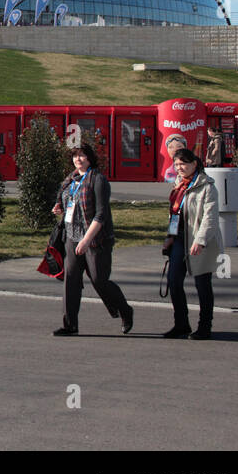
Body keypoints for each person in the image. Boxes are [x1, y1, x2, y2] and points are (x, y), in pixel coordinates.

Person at [51, 143, 134, 337]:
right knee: (71, 281)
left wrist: (87, 240)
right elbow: (68, 202)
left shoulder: (98, 180)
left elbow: (101, 214)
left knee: (99, 280)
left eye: (82, 156)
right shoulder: (70, 179)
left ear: (90, 158)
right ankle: (69, 324)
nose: (78, 159)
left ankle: (125, 310)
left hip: (96, 239)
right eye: (75, 156)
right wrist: (60, 209)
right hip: (72, 236)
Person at [164, 148, 224, 340]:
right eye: (177, 164)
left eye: (184, 164)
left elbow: (210, 218)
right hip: (180, 239)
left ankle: (204, 326)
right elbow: (175, 213)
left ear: (194, 164)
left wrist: (200, 240)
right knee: (173, 281)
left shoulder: (207, 187)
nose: (179, 167)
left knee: (202, 284)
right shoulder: (179, 184)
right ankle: (181, 324)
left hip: (200, 241)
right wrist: (170, 236)